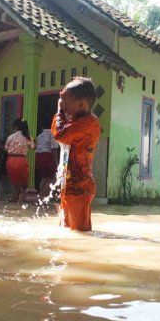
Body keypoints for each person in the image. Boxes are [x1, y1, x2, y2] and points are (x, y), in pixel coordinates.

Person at [52, 77, 101, 232]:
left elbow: (60, 134)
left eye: (65, 101)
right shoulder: (78, 121)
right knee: (67, 232)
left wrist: (59, 111)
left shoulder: (88, 123)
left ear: (81, 105)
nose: (63, 105)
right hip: (71, 185)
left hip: (80, 188)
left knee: (80, 235)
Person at [5, 118, 34, 203]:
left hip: (11, 160)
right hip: (22, 160)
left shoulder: (10, 137)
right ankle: (21, 199)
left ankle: (16, 196)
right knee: (24, 182)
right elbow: (33, 147)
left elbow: (6, 149)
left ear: (16, 126)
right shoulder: (28, 137)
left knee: (15, 180)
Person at [35, 118, 59, 200]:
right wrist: (56, 162)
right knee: (54, 178)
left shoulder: (39, 136)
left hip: (39, 157)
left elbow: (36, 148)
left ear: (41, 127)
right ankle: (41, 195)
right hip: (47, 157)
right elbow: (54, 149)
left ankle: (40, 198)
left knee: (44, 178)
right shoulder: (52, 134)